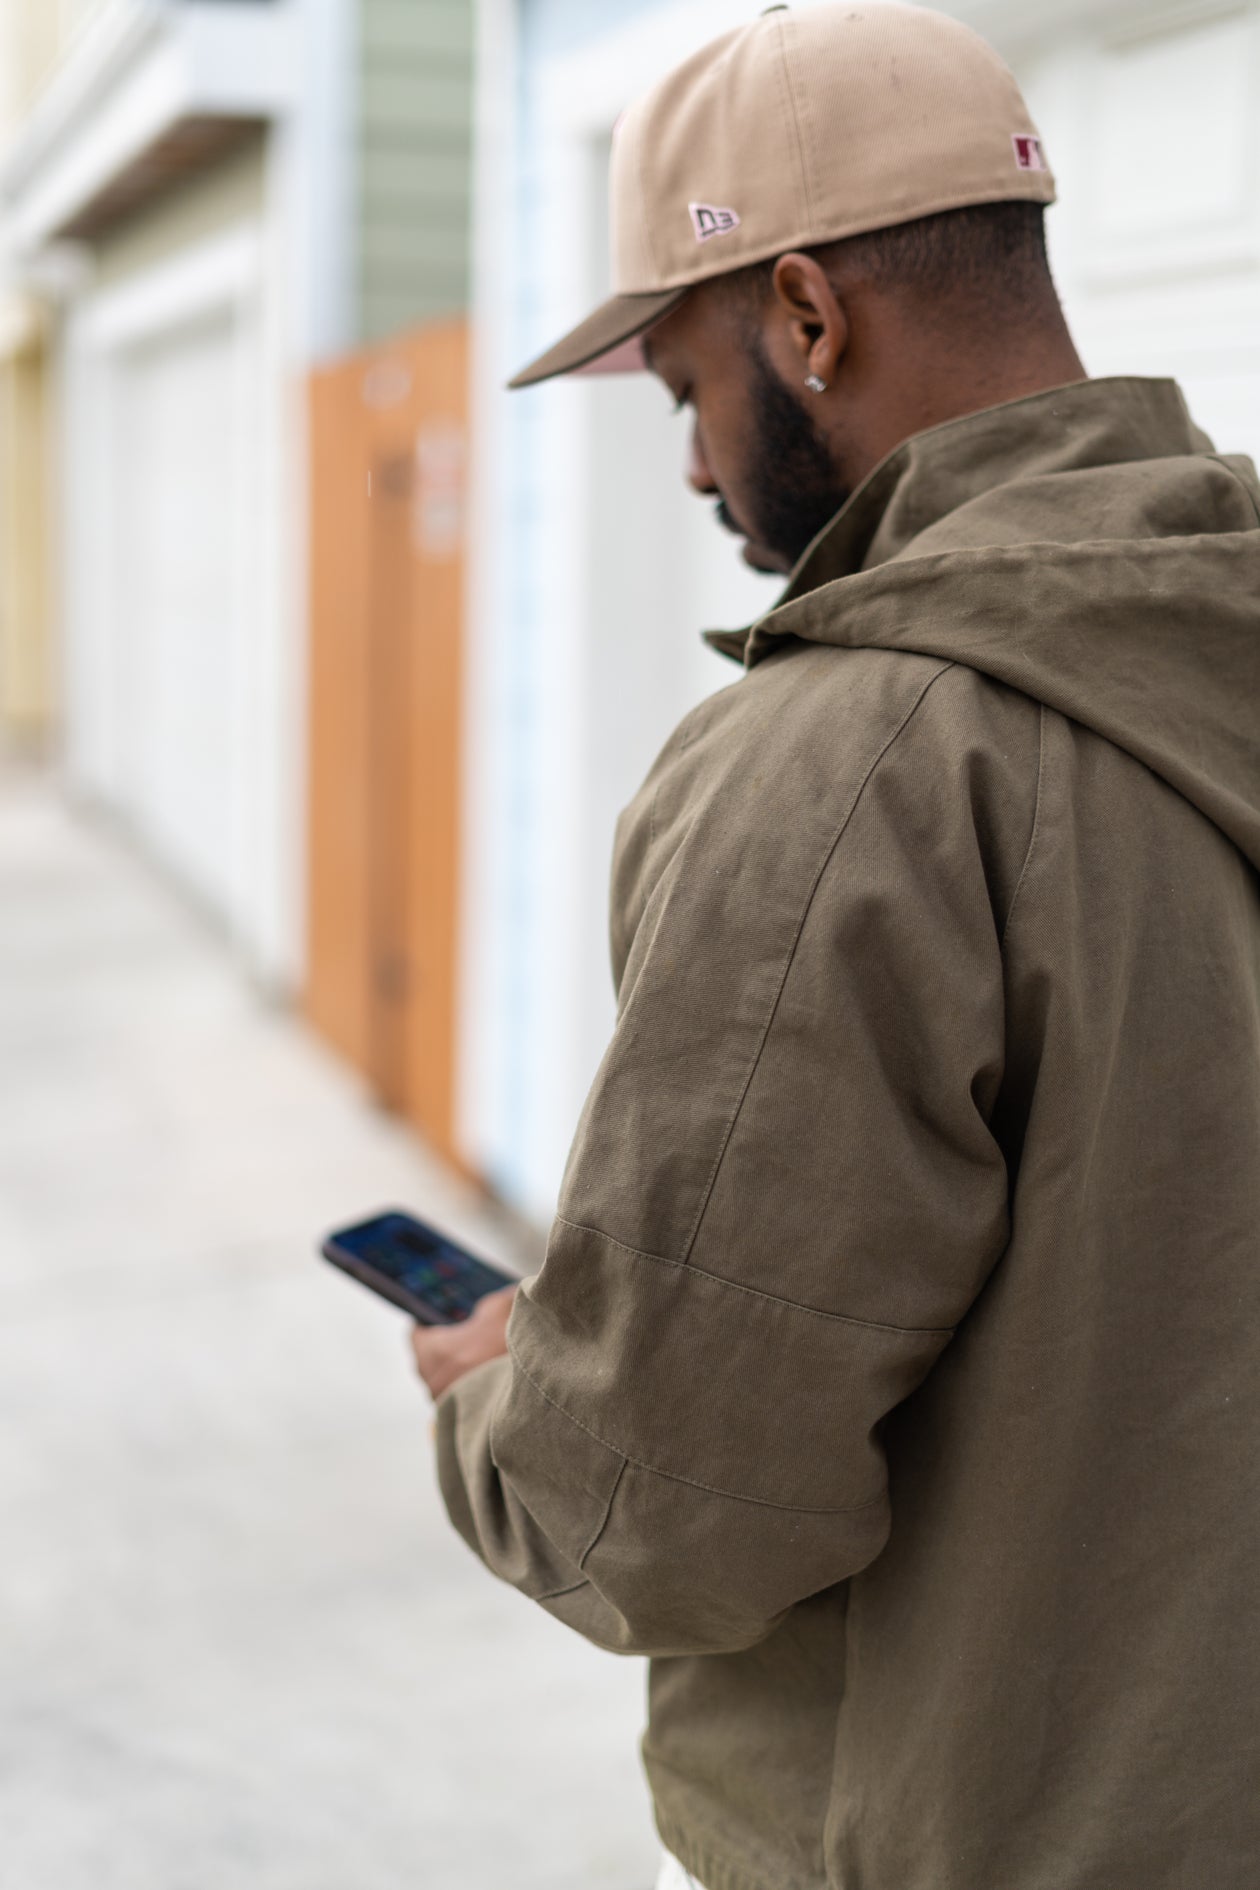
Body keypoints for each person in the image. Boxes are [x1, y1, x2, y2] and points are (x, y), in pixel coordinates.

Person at [412, 6, 1260, 1886]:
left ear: (807, 317)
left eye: (685, 389)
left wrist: (495, 1394)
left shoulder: (843, 774)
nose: (702, 470)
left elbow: (662, 1504)